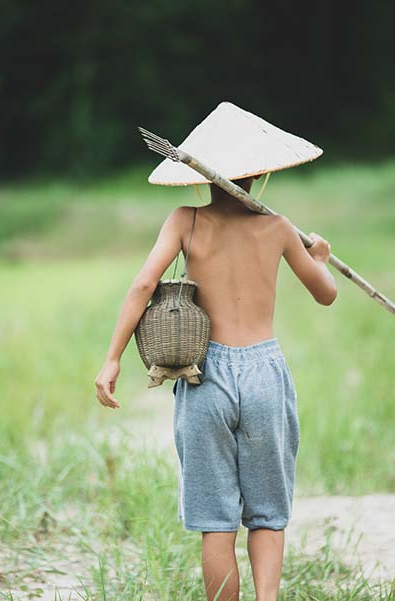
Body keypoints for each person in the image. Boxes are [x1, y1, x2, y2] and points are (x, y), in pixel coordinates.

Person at [94, 102, 337, 601]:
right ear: (258, 175)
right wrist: (319, 258)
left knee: (216, 520)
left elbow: (144, 284)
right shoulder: (278, 227)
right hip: (265, 372)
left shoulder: (187, 221)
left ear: (202, 175)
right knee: (268, 513)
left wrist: (113, 357)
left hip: (206, 374)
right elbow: (326, 292)